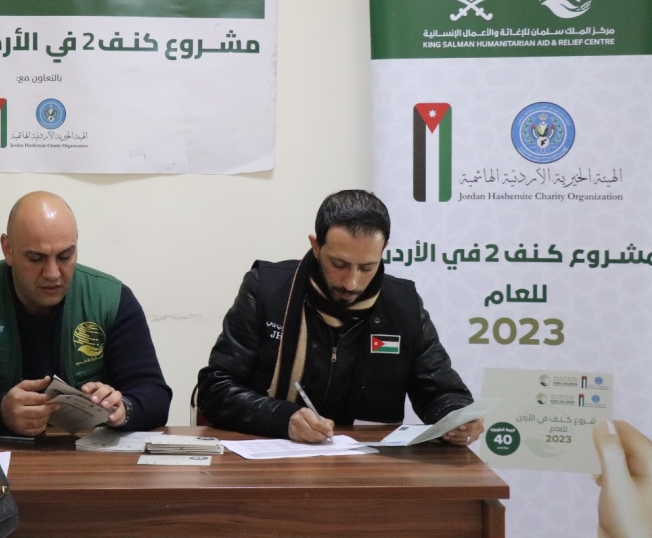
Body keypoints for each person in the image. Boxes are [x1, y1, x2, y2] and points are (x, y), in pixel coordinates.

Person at [197, 189, 482, 445]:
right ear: (316, 246)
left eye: (367, 267)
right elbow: (216, 390)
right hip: (272, 463)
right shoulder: (268, 290)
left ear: (383, 250)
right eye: (339, 264)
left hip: (370, 468)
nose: (351, 283)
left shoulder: (403, 305)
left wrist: (456, 418)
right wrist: (281, 417)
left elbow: (441, 391)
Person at [0, 191, 171, 436]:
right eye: (36, 258)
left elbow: (155, 395)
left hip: (82, 453)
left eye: (65, 256)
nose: (52, 273)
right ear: (8, 249)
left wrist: (123, 409)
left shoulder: (111, 300)